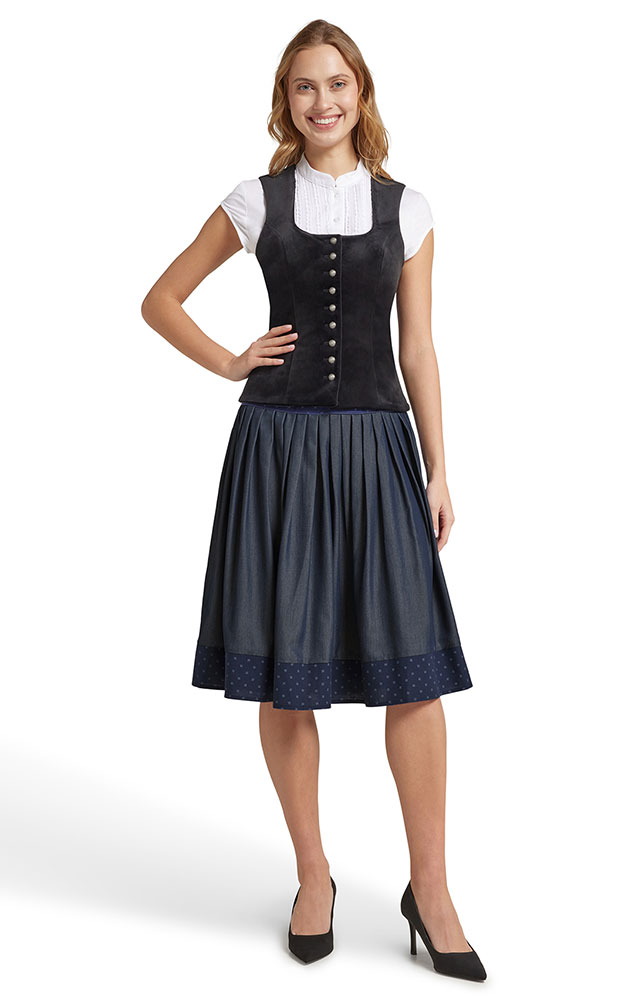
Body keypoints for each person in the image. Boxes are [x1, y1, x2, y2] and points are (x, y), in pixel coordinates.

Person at [141, 19, 486, 981]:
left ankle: (432, 890)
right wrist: (230, 361)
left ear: (360, 93)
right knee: (284, 670)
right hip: (279, 450)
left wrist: (438, 469)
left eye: (337, 84)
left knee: (414, 677)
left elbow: (417, 347)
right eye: (304, 86)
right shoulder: (255, 200)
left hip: (377, 449)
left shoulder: (408, 208)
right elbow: (160, 299)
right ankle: (312, 875)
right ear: (284, 101)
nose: (322, 101)